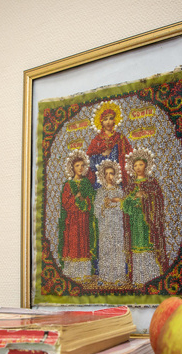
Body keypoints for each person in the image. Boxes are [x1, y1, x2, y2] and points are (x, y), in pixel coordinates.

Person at [121, 148, 169, 286]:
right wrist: (134, 197)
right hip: (135, 222)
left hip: (148, 222)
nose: (138, 168)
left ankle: (152, 276)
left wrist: (146, 197)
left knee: (150, 246)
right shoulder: (130, 186)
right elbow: (125, 204)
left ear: (146, 165)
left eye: (140, 164)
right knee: (136, 248)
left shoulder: (152, 184)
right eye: (135, 165)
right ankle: (138, 279)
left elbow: (158, 201)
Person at [57, 150, 98, 281]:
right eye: (77, 166)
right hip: (72, 220)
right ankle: (72, 273)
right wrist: (76, 199)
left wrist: (84, 200)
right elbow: (65, 202)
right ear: (72, 168)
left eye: (82, 165)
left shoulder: (87, 183)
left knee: (84, 243)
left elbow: (92, 200)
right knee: (73, 243)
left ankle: (84, 273)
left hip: (84, 219)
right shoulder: (68, 184)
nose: (80, 168)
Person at [86, 101, 133, 189]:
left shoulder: (120, 137)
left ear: (114, 121)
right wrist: (102, 155)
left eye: (110, 118)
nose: (108, 122)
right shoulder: (97, 140)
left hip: (117, 175)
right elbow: (90, 159)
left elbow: (129, 155)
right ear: (101, 122)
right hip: (101, 175)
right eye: (105, 119)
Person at [93, 160, 126, 284]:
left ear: (115, 175)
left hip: (117, 224)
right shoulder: (100, 192)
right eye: (106, 173)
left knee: (117, 249)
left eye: (111, 173)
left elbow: (124, 207)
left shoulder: (119, 191)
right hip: (105, 225)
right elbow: (96, 210)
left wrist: (114, 203)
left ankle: (118, 277)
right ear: (102, 176)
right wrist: (103, 206)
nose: (109, 176)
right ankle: (104, 276)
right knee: (105, 249)